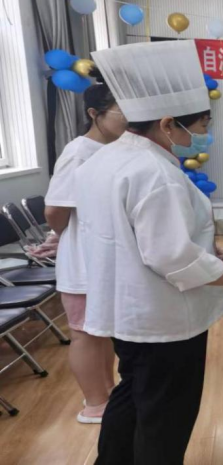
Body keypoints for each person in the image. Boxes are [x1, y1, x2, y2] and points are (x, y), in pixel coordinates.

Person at [81, 40, 223, 464]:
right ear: (168, 123)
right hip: (163, 319)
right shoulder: (155, 173)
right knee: (165, 416)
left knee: (132, 394)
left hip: (126, 312)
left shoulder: (108, 158)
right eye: (203, 123)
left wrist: (202, 246)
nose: (205, 132)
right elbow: (172, 258)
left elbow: (132, 234)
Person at [43, 82, 125, 424]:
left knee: (100, 330)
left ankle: (107, 392)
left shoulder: (111, 149)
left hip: (101, 256)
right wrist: (68, 236)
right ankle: (95, 403)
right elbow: (55, 210)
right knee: (83, 334)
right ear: (94, 114)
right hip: (81, 260)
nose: (129, 119)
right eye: (121, 112)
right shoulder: (79, 151)